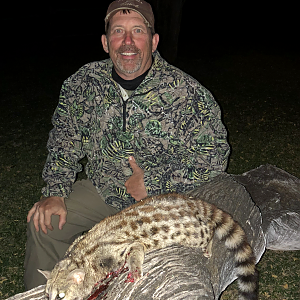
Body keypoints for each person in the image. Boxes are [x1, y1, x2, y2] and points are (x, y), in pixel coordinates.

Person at [24, 0, 230, 290]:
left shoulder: (187, 92)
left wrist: (154, 181)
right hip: (104, 191)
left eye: (138, 31)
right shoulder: (83, 83)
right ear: (106, 42)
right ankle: (49, 294)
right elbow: (64, 138)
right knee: (44, 224)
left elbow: (215, 156)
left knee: (159, 274)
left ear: (154, 41)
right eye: (119, 32)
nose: (128, 41)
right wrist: (55, 192)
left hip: (160, 208)